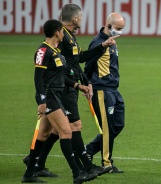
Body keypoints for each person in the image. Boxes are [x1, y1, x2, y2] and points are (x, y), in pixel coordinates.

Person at [22, 3, 118, 177]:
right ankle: (84, 168)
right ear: (74, 18)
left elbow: (79, 58)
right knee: (73, 127)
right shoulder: (60, 38)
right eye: (80, 16)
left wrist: (102, 46)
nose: (82, 19)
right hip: (62, 87)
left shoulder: (69, 37)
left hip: (69, 85)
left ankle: (36, 161)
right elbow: (56, 66)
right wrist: (68, 85)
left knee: (52, 130)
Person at [22, 19, 96, 183]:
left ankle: (28, 174)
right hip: (49, 97)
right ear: (57, 32)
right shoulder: (43, 51)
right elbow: (38, 79)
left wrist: (77, 85)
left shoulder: (55, 51)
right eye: (62, 31)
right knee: (66, 132)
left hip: (57, 95)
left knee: (43, 135)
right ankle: (77, 173)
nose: (64, 34)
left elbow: (60, 77)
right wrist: (41, 101)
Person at [84, 12, 125, 173]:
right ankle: (107, 163)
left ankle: (89, 150)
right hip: (102, 90)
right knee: (107, 128)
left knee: (118, 124)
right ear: (108, 26)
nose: (120, 32)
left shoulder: (111, 42)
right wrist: (87, 85)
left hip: (114, 90)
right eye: (118, 28)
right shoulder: (98, 43)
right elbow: (88, 66)